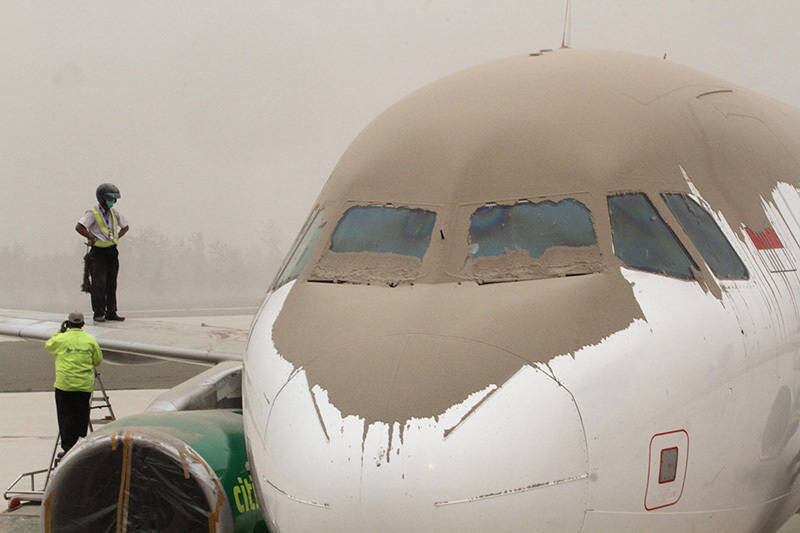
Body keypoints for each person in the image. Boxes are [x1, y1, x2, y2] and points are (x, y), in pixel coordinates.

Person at [44, 311, 103, 456]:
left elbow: (49, 346)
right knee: (81, 415)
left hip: (64, 385)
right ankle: (80, 444)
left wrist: (60, 331)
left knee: (65, 416)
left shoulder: (62, 339)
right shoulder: (90, 340)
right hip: (83, 386)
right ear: (83, 324)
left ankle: (67, 447)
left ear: (68, 323)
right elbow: (98, 360)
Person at [75, 183, 130, 322]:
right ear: (102, 198)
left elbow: (125, 227)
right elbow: (79, 227)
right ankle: (99, 313)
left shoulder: (114, 213)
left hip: (112, 251)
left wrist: (117, 236)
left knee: (112, 283)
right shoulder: (92, 213)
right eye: (111, 198)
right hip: (98, 253)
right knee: (99, 284)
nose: (114, 201)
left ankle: (112, 312)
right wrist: (91, 237)